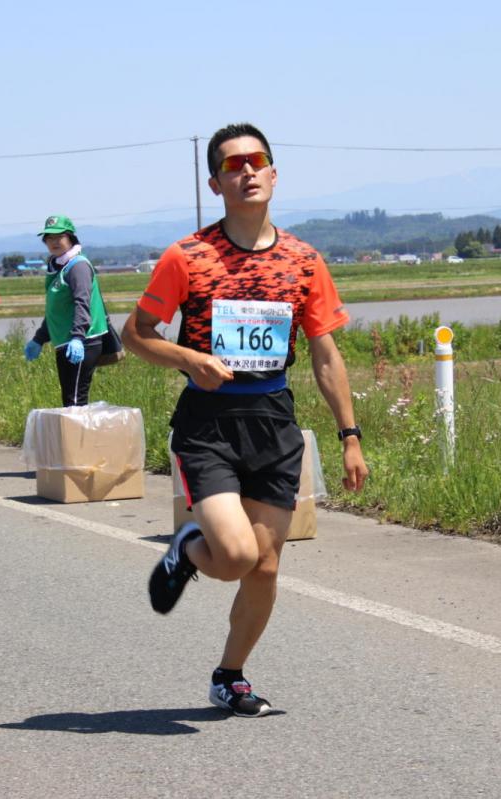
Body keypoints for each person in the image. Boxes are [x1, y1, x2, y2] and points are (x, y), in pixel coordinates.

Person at [123, 123, 369, 717]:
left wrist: (350, 435)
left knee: (264, 565)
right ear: (216, 183)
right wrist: (188, 358)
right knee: (232, 557)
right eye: (233, 165)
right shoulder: (188, 256)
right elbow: (135, 334)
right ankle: (188, 546)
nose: (247, 171)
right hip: (208, 423)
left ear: (274, 174)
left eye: (257, 161)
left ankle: (230, 675)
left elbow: (326, 353)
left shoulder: (305, 261)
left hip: (274, 420)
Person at [23, 214, 108, 406]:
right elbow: (56, 312)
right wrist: (39, 338)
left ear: (70, 238)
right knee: (70, 400)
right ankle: (74, 436)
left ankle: (81, 437)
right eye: (49, 238)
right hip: (65, 343)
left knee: (75, 401)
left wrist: (78, 337)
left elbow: (82, 303)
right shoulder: (58, 268)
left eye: (59, 237)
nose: (53, 242)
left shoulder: (77, 266)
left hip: (82, 342)